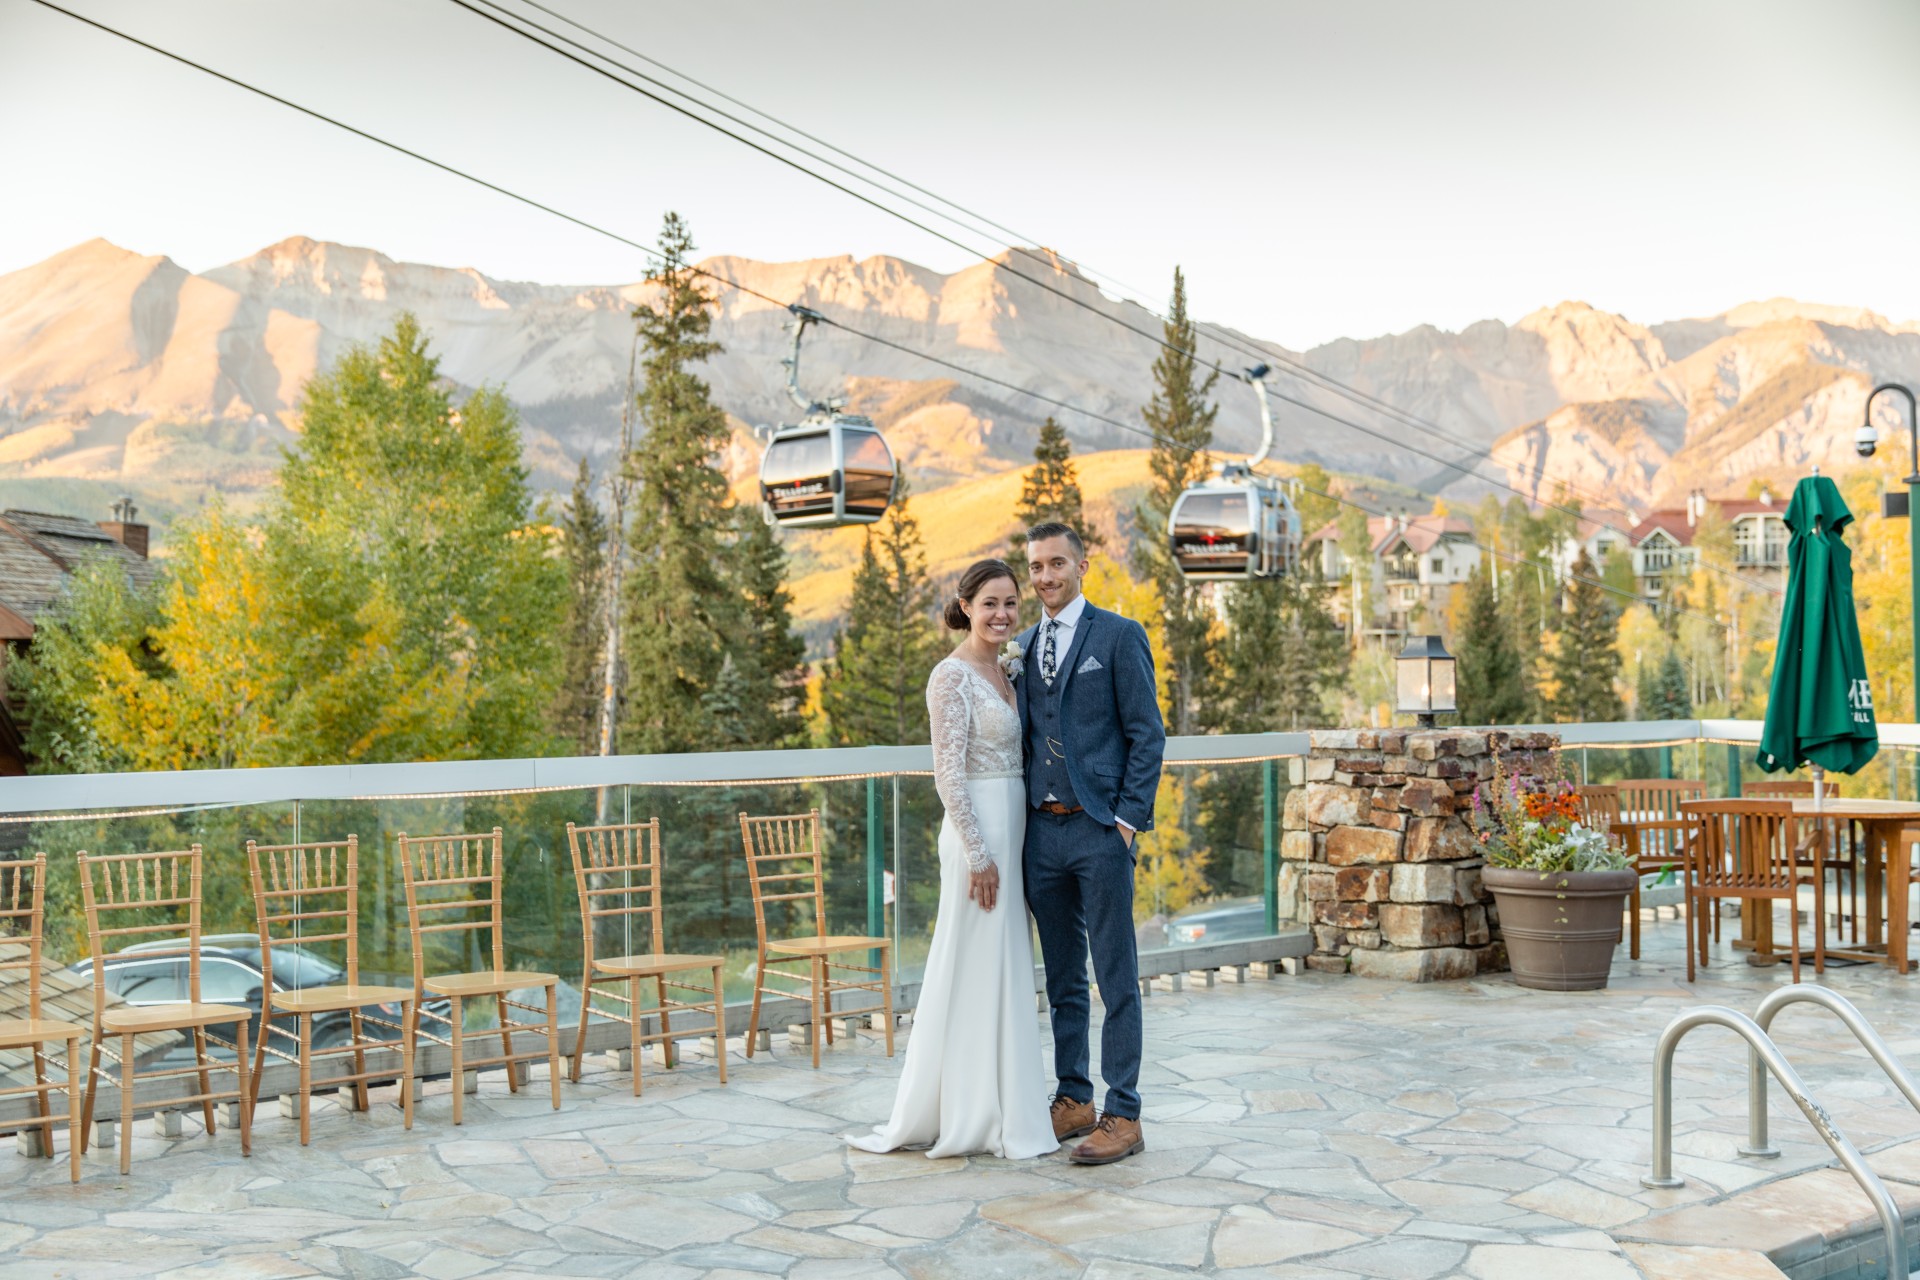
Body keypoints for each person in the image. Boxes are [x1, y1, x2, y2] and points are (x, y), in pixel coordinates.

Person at [846, 559, 1056, 1160]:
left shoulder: (1008, 669)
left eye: (1011, 603)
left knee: (1006, 965)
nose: (1002, 614)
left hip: (1016, 828)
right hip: (978, 836)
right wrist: (980, 853)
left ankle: (1004, 1101)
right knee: (970, 965)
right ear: (965, 606)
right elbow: (948, 775)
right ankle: (966, 1110)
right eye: (990, 603)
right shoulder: (951, 677)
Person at [1018, 521, 1165, 1165]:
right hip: (1040, 832)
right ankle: (1073, 1098)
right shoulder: (1021, 645)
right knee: (1063, 977)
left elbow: (1147, 734)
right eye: (1036, 568)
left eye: (1056, 564)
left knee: (1116, 974)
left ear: (1082, 565)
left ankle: (1124, 1111)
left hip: (1099, 829)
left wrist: (1127, 822)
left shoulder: (1118, 635)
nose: (1045, 577)